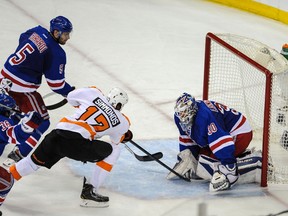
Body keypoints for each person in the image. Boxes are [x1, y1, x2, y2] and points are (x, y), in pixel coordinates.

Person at [0, 86, 132, 209]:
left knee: (32, 162)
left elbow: (71, 97)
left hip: (57, 135)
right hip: (77, 144)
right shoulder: (123, 121)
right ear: (120, 105)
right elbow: (116, 141)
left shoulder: (93, 92)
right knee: (114, 151)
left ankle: (5, 179)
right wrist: (124, 135)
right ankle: (90, 192)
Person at [0, 16, 75, 166]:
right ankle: (17, 154)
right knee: (41, 121)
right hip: (22, 89)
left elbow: (22, 38)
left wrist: (33, 60)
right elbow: (56, 84)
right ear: (55, 32)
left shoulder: (37, 31)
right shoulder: (57, 53)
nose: (67, 38)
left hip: (4, 77)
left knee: (8, 114)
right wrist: (71, 92)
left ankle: (8, 135)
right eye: (65, 34)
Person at [166, 93, 264, 192]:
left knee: (209, 166)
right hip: (223, 132)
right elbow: (187, 138)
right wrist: (186, 159)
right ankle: (242, 156)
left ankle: (256, 164)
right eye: (180, 113)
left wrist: (228, 166)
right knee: (201, 161)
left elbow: (220, 139)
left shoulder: (204, 115)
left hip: (240, 132)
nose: (182, 116)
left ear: (193, 109)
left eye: (185, 112)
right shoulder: (179, 118)